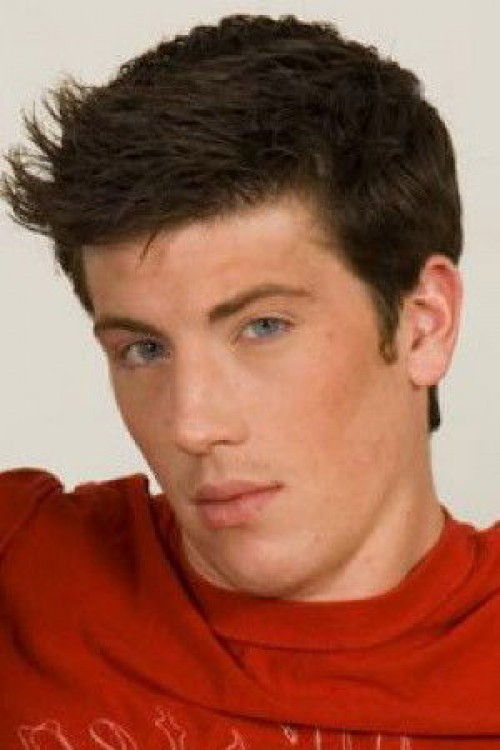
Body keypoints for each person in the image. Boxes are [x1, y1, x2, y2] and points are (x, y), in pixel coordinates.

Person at [0, 12, 498, 750]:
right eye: (143, 348)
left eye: (263, 327)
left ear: (424, 325)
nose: (192, 424)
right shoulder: (21, 565)